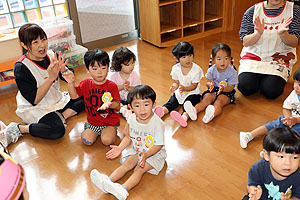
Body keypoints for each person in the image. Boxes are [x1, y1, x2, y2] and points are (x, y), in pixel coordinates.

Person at [0, 23, 84, 148]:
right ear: (24, 45)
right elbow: (34, 100)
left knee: (89, 96)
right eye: (35, 42)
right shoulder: (21, 67)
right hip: (35, 107)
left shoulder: (50, 55)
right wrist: (50, 79)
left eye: (43, 39)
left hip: (56, 99)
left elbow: (66, 75)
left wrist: (65, 71)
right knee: (57, 131)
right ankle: (21, 128)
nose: (42, 45)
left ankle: (62, 116)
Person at [90, 85, 166, 200]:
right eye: (137, 105)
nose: (142, 109)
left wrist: (146, 154)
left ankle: (123, 189)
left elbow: (159, 145)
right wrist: (120, 148)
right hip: (138, 150)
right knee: (127, 164)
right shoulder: (131, 119)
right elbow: (127, 137)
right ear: (130, 107)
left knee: (138, 170)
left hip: (154, 154)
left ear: (154, 104)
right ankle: (107, 181)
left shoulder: (157, 123)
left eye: (146, 104)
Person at [238, 0, 300, 99]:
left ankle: (267, 77)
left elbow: (294, 42)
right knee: (245, 88)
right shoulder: (252, 11)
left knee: (271, 91)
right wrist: (257, 33)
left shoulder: (294, 11)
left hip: (279, 59)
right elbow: (245, 41)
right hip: (254, 56)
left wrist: (283, 34)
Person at [62, 49, 120, 146]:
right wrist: (70, 83)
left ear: (108, 68)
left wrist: (110, 104)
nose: (99, 72)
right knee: (87, 141)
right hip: (93, 123)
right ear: (87, 70)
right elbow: (74, 96)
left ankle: (112, 131)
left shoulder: (112, 86)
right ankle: (91, 130)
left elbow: (118, 105)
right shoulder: (86, 83)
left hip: (109, 122)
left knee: (106, 141)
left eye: (103, 67)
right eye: (94, 69)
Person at [240, 68, 300, 149]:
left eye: (299, 84)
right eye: (295, 82)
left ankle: (274, 151)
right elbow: (286, 107)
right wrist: (288, 118)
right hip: (289, 118)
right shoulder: (294, 93)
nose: (295, 86)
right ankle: (249, 135)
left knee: (293, 138)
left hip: (298, 123)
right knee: (272, 125)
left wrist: (295, 120)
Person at [184, 43, 238, 124]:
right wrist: (210, 84)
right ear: (213, 60)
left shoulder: (232, 72)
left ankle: (211, 115)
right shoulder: (211, 70)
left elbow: (231, 87)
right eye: (219, 59)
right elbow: (208, 82)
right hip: (214, 89)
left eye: (226, 58)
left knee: (219, 102)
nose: (223, 62)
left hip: (227, 92)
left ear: (230, 59)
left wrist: (224, 89)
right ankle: (194, 111)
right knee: (205, 100)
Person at [154, 41, 203, 127]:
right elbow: (176, 82)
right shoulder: (175, 68)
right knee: (172, 101)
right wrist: (174, 86)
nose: (188, 59)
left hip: (193, 93)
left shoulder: (196, 70)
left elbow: (194, 86)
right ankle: (162, 111)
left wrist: (184, 88)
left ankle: (184, 117)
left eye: (190, 55)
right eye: (184, 57)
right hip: (180, 91)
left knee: (188, 103)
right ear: (176, 59)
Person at [242, 128, 300, 200]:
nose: (288, 163)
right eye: (281, 156)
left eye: (294, 157)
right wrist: (253, 193)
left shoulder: (298, 176)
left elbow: (297, 196)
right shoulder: (257, 169)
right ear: (266, 155)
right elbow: (251, 185)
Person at [110, 46, 141, 119]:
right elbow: (112, 90)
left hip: (131, 99)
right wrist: (122, 87)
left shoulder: (134, 75)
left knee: (141, 99)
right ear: (119, 65)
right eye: (127, 65)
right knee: (112, 103)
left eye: (132, 63)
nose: (131, 66)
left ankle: (127, 109)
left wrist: (129, 88)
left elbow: (137, 89)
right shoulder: (114, 77)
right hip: (119, 100)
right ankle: (124, 110)